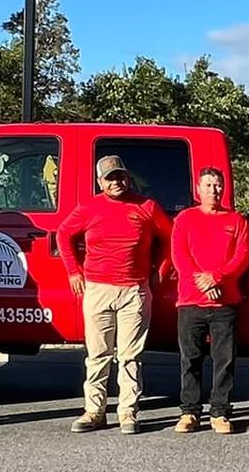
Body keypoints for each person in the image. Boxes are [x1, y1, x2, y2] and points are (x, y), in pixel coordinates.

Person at [55, 153, 172, 435]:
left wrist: (162, 272)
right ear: (100, 182)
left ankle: (128, 412)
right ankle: (94, 411)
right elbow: (63, 234)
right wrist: (73, 271)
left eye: (120, 175)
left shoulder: (146, 206)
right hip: (98, 289)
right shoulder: (88, 207)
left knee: (131, 356)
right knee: (98, 354)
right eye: (110, 178)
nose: (116, 181)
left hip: (134, 291)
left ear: (127, 177)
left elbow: (170, 239)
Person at [171, 166, 249, 434]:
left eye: (218, 185)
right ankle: (190, 412)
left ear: (224, 188)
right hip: (191, 302)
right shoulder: (185, 219)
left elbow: (242, 256)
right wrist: (201, 281)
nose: (213, 190)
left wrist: (217, 277)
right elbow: (180, 255)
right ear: (198, 189)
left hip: (225, 302)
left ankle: (220, 412)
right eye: (207, 185)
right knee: (190, 359)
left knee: (224, 360)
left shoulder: (237, 221)